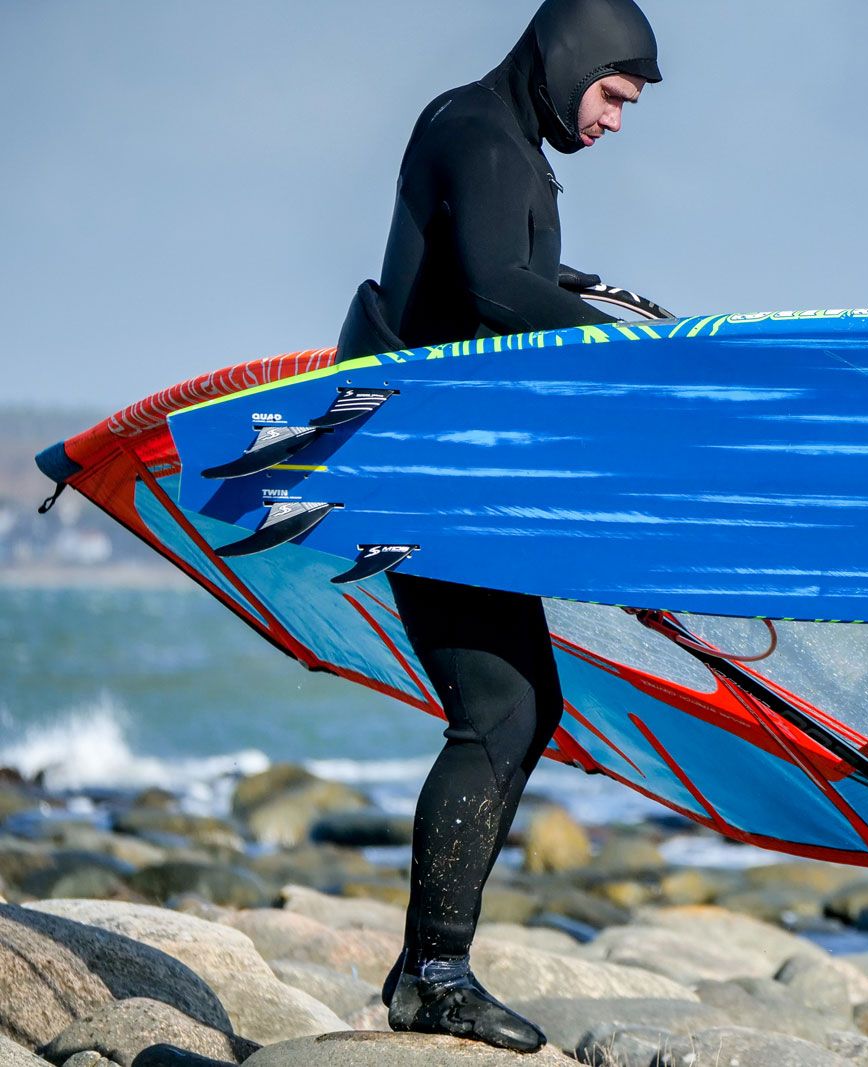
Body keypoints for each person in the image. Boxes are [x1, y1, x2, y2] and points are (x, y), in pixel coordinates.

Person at [334, 0, 660, 1052]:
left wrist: (572, 285)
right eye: (613, 94)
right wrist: (633, 355)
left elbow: (490, 269)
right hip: (422, 465)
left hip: (447, 466)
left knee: (521, 704)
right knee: (499, 709)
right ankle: (432, 973)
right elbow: (489, 286)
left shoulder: (496, 140)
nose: (614, 121)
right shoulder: (477, 130)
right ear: (570, 59)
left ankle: (433, 964)